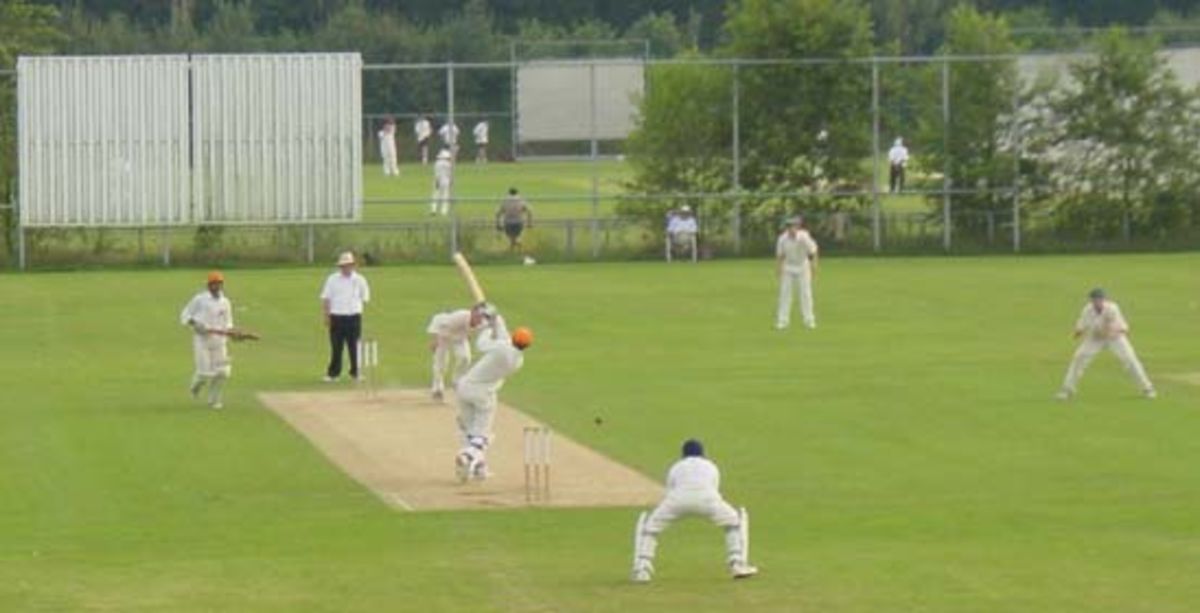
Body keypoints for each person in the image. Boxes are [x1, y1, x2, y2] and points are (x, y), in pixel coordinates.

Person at [631, 439, 758, 583]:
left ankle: (642, 569)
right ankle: (737, 563)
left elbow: (669, 489)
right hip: (708, 500)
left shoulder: (676, 466)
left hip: (677, 500)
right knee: (735, 522)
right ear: (702, 454)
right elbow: (714, 487)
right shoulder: (711, 466)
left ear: (683, 454)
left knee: (649, 528)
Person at [453, 306, 533, 482]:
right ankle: (468, 456)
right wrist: (496, 317)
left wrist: (487, 326)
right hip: (483, 395)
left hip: (464, 387)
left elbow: (482, 344)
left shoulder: (501, 348)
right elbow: (504, 335)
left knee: (469, 429)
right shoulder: (517, 360)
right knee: (482, 434)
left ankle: (477, 467)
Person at [1057, 288, 1156, 400]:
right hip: (1095, 338)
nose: (1097, 302)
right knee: (1079, 358)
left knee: (1130, 359)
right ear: (1091, 300)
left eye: (1099, 299)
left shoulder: (1112, 308)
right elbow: (1082, 323)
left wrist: (1113, 333)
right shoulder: (1087, 310)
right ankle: (1067, 390)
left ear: (1104, 299)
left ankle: (1147, 388)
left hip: (1115, 338)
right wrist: (1078, 331)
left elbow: (1121, 328)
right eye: (1094, 299)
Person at [180, 271, 234, 409]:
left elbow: (228, 323)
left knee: (223, 372)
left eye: (219, 283)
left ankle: (214, 400)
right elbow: (185, 315)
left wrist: (230, 333)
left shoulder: (225, 302)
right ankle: (195, 387)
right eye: (214, 283)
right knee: (204, 373)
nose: (216, 286)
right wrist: (195, 324)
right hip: (202, 340)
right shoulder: (200, 299)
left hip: (219, 341)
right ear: (208, 285)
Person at [320, 251, 371, 382]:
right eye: (343, 265)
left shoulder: (360, 280)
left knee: (354, 346)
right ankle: (333, 373)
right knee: (336, 347)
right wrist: (326, 316)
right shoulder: (332, 279)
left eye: (348, 265)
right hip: (336, 316)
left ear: (353, 265)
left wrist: (356, 305)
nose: (346, 268)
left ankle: (356, 373)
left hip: (354, 317)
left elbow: (365, 298)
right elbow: (326, 298)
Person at [426, 305, 484, 402]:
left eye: (481, 316)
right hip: (444, 334)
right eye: (477, 316)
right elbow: (441, 326)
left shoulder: (483, 322)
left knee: (465, 358)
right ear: (472, 312)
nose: (479, 319)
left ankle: (457, 381)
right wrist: (435, 340)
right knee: (441, 363)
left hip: (460, 338)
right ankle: (437, 388)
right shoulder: (459, 316)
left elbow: (481, 333)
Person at [775, 216, 819, 330]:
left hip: (803, 266)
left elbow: (813, 251)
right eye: (789, 227)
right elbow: (780, 256)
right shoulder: (782, 239)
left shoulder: (804, 237)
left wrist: (814, 266)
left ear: (798, 227)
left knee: (805, 294)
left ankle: (809, 321)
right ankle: (782, 321)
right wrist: (779, 269)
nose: (791, 229)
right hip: (788, 266)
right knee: (785, 294)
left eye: (793, 226)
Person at [430, 149, 454, 216]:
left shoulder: (437, 163)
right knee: (445, 196)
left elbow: (436, 173)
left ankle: (433, 209)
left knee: (435, 195)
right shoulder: (449, 164)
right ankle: (444, 211)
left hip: (438, 180)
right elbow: (450, 174)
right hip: (446, 181)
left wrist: (437, 180)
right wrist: (451, 181)